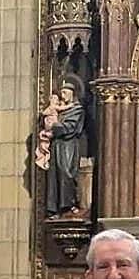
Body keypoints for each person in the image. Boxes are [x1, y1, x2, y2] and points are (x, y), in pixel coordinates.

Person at [45, 79, 87, 216]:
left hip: (69, 145)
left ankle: (70, 204)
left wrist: (55, 125)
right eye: (62, 93)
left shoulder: (77, 109)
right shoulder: (60, 108)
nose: (63, 96)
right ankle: (55, 208)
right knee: (55, 175)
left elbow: (71, 127)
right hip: (57, 145)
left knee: (67, 172)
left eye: (65, 93)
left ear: (72, 93)